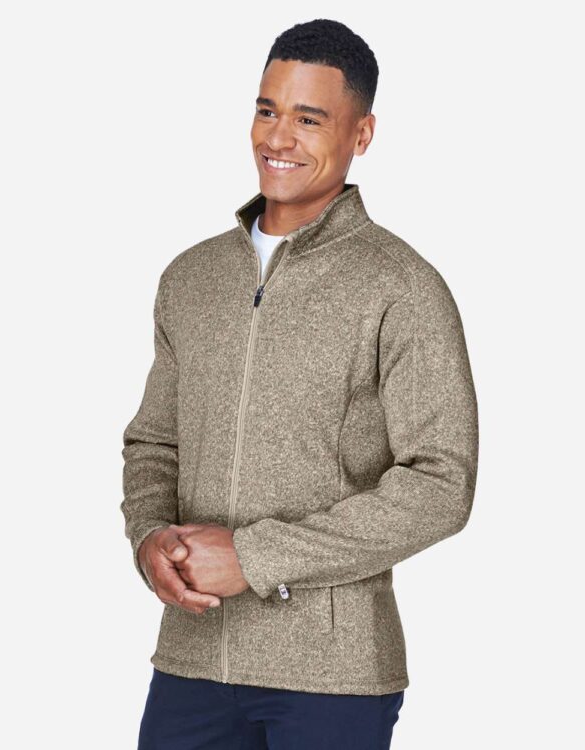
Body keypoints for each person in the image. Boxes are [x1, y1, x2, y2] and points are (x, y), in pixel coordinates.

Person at [120, 18, 479, 750]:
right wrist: (150, 536)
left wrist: (254, 557)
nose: (278, 138)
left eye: (309, 119)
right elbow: (154, 443)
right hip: (191, 660)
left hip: (332, 679)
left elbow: (442, 485)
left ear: (361, 134)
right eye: (267, 110)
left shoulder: (402, 287)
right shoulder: (191, 278)